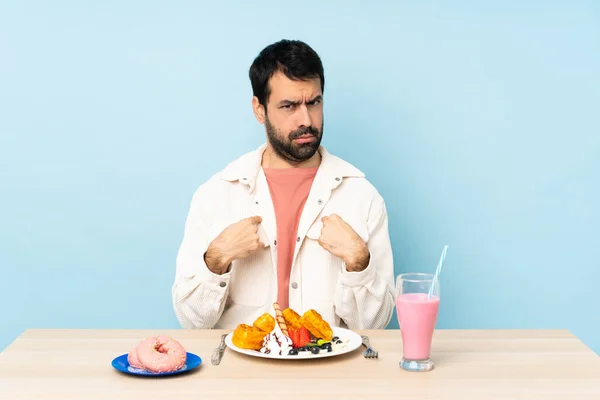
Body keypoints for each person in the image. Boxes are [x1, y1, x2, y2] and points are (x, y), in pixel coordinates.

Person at [172, 39, 395, 331]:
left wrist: (359, 261)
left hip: (328, 371)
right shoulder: (216, 195)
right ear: (259, 109)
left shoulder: (362, 196)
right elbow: (192, 322)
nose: (306, 120)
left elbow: (375, 326)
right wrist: (216, 259)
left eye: (314, 103)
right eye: (289, 106)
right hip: (243, 371)